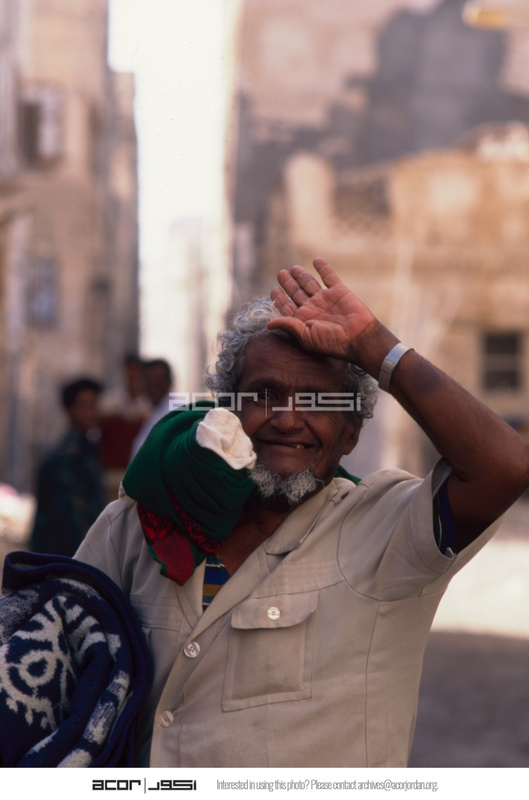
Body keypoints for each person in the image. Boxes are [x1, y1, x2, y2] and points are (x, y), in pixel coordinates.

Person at [75, 258, 529, 768]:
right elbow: (54, 661)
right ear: (227, 410)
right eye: (264, 395)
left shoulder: (386, 533)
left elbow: (505, 466)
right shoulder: (141, 525)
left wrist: (376, 346)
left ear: (351, 433)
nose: (287, 419)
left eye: (317, 401)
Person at [31, 377, 107, 557]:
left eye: (94, 405)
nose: (91, 412)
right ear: (70, 410)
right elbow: (72, 518)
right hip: (63, 556)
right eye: (84, 406)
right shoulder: (65, 457)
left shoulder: (90, 449)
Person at [129, 358, 174, 460]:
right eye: (148, 381)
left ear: (168, 382)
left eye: (157, 380)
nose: (152, 386)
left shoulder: (178, 410)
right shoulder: (152, 411)